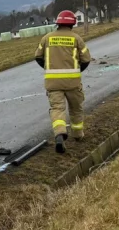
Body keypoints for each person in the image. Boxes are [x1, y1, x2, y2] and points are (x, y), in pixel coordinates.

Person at [34, 10, 92, 153]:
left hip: (53, 83)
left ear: (58, 23)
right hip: (73, 83)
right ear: (72, 24)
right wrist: (77, 71)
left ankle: (60, 134)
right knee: (76, 108)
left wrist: (48, 67)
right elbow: (86, 59)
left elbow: (38, 57)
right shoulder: (76, 38)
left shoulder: (47, 38)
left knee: (57, 109)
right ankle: (78, 134)